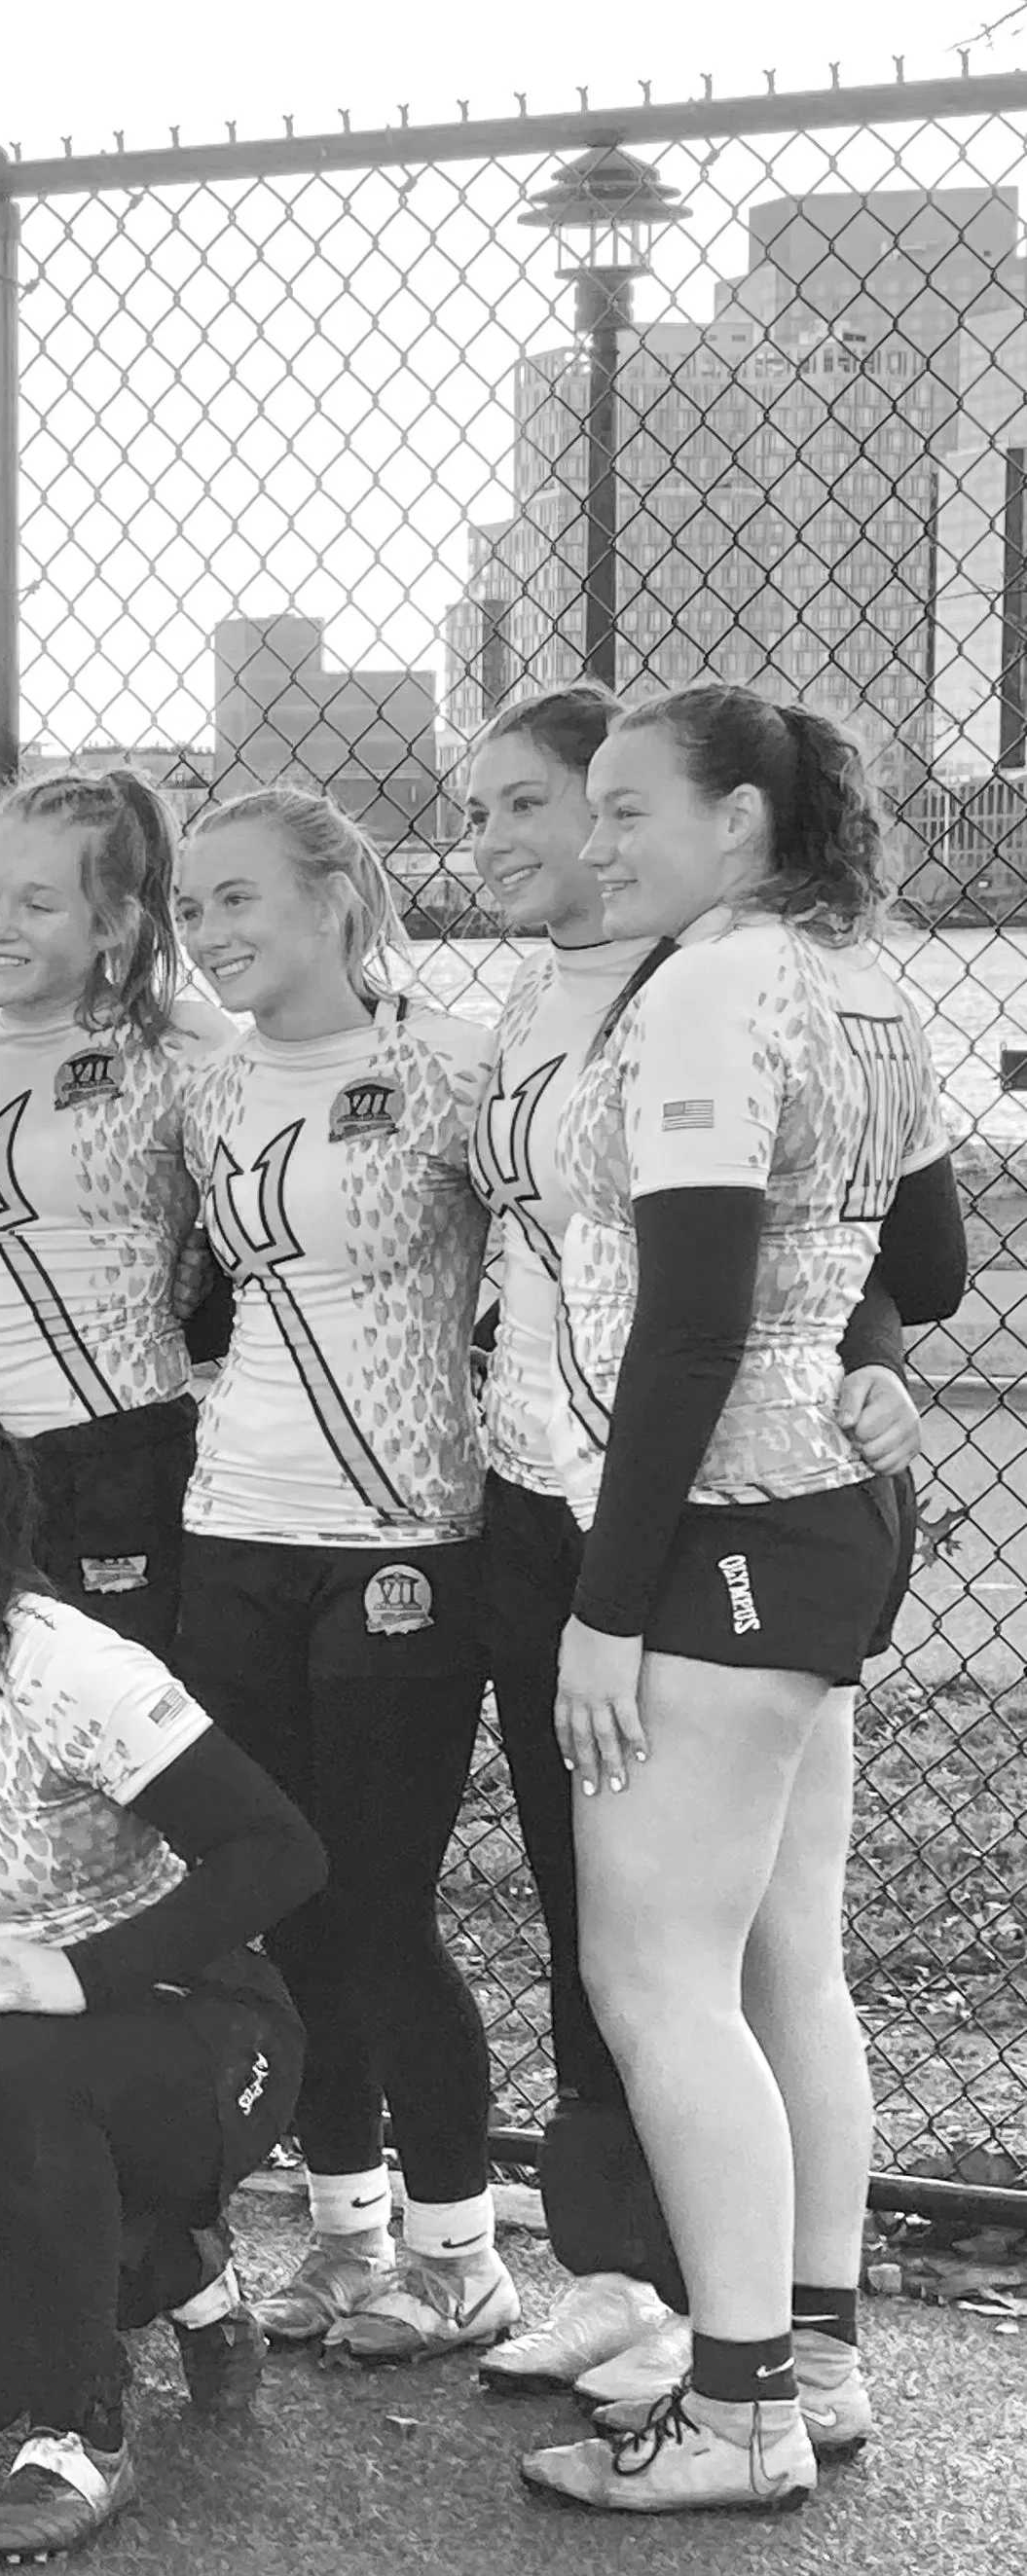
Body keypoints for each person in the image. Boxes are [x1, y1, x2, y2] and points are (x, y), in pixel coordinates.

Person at [458, 686, 948, 2402]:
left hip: (718, 1520)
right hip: (824, 1510)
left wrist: (603, 1608)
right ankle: (814, 2351)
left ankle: (736, 2399)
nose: (598, 847)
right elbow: (935, 1257)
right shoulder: (864, 973)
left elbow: (688, 1328)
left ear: (736, 819)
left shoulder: (718, 982)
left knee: (656, 1968)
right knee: (785, 1959)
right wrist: (853, 1342)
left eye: (624, 812)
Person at [0, 1386, 318, 2561]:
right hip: (17, 2079)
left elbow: (279, 1852)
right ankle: (173, 2260)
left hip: (201, 2039)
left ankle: (82, 2435)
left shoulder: (69, 1667)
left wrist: (84, 1973)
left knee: (17, 2056)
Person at [172, 788, 512, 2366]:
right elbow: (206, 1298)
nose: (213, 931)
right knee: (287, 1902)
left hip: (403, 1535)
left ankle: (461, 2250)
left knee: (383, 1906)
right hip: (235, 1530)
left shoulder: (447, 1063)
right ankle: (341, 2223)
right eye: (192, 909)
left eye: (240, 897)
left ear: (336, 895)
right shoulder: (217, 1083)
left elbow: (567, 1259)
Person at [0, 768, 217, 1663]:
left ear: (113, 923)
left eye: (38, 905)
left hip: (114, 1445)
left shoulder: (183, 1052)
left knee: (111, 1717)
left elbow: (225, 1251)